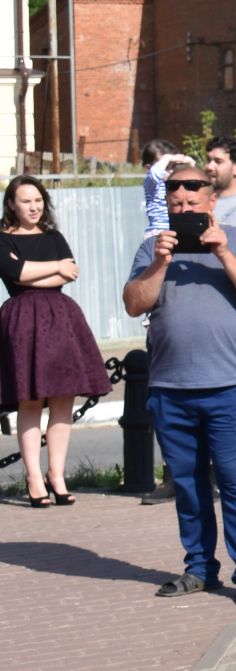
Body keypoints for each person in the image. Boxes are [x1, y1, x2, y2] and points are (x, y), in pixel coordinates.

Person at [124, 164, 236, 604]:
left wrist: (224, 252)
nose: (185, 209)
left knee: (234, 479)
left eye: (193, 203)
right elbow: (134, 304)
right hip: (170, 390)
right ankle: (199, 569)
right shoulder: (153, 247)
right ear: (166, 207)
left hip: (226, 386)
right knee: (189, 485)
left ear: (212, 203)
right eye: (177, 204)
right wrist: (159, 262)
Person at [0, 175, 111, 507]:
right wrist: (54, 268)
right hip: (22, 323)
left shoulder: (53, 237)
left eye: (38, 200)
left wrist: (42, 270)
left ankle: (57, 475)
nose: (34, 207)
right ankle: (34, 477)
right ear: (12, 205)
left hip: (61, 320)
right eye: (26, 201)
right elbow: (15, 275)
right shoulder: (3, 239)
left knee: (63, 399)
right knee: (30, 400)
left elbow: (71, 272)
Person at [140, 138, 194, 237]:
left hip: (176, 232)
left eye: (173, 166)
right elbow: (155, 173)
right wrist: (168, 157)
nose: (170, 171)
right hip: (158, 233)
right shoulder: (152, 183)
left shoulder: (175, 184)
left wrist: (191, 164)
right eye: (166, 166)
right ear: (148, 168)